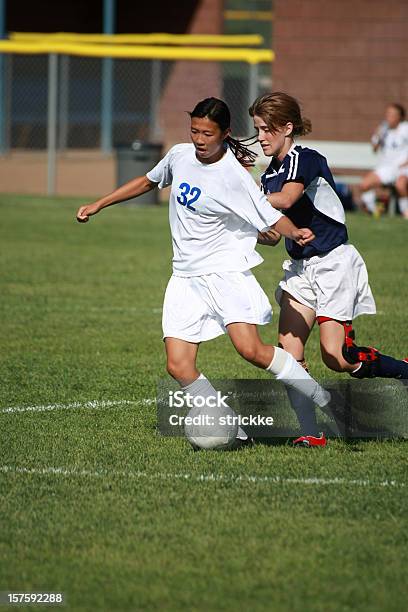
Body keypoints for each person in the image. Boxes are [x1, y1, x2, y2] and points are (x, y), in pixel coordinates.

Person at [76, 97, 336, 448]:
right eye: (194, 131)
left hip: (223, 274)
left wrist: (295, 232)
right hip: (184, 277)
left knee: (251, 350)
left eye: (207, 133)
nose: (199, 139)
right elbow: (147, 182)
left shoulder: (234, 176)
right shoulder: (180, 156)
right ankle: (232, 430)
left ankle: (322, 397)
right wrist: (99, 204)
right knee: (178, 365)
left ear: (225, 133)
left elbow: (270, 218)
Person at [248, 92, 408, 446]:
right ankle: (310, 431)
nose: (260, 137)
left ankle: (404, 370)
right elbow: (273, 235)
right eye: (257, 129)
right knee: (289, 352)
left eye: (266, 130)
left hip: (334, 264)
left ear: (287, 128)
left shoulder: (305, 159)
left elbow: (288, 199)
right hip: (299, 269)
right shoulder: (269, 174)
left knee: (337, 356)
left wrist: (238, 197)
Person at [359, 103, 408, 215]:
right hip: (387, 168)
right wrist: (378, 135)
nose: (389, 117)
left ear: (400, 117)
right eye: (388, 114)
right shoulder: (384, 129)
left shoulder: (405, 128)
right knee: (364, 185)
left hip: (403, 167)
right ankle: (375, 211)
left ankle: (405, 213)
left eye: (392, 114)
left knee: (400, 185)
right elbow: (374, 149)